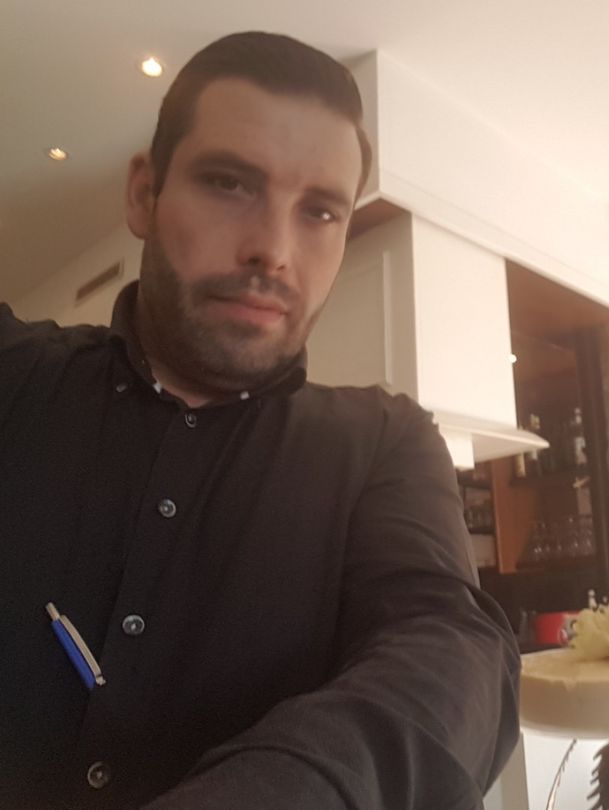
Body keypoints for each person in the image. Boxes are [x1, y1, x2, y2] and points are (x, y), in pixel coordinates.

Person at [0, 31, 521, 809]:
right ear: (144, 194)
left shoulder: (384, 442)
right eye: (228, 183)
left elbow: (450, 651)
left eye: (320, 211)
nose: (273, 250)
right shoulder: (15, 375)